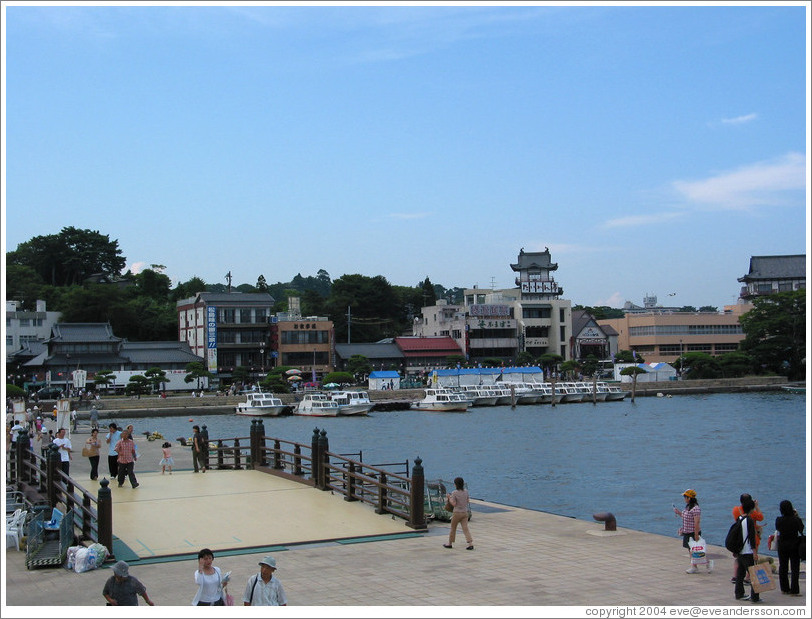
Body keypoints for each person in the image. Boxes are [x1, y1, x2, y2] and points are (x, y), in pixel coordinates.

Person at [733, 495, 761, 602]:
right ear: (751, 509)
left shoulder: (739, 518)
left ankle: (739, 593)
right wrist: (754, 552)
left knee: (740, 573)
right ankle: (755, 597)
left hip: (740, 550)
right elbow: (751, 538)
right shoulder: (749, 520)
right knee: (753, 574)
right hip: (748, 550)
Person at [775, 499, 804, 596]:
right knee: (795, 567)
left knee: (783, 567)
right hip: (794, 544)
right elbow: (801, 528)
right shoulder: (796, 520)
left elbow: (778, 528)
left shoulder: (779, 520)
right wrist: (796, 516)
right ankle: (794, 589)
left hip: (782, 545)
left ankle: (784, 588)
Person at [673, 489, 701, 573]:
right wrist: (678, 513)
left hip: (693, 532)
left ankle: (695, 566)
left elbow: (697, 522)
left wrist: (696, 535)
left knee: (694, 550)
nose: (684, 498)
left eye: (685, 497)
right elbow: (686, 518)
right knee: (690, 549)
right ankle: (694, 565)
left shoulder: (695, 509)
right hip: (687, 531)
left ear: (689, 498)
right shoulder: (688, 507)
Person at [443, 476, 474, 550]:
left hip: (457, 513)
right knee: (465, 528)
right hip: (465, 512)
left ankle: (450, 543)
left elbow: (453, 504)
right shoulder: (466, 491)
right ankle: (470, 543)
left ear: (456, 484)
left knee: (453, 528)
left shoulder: (454, 493)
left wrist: (449, 497)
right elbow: (467, 501)